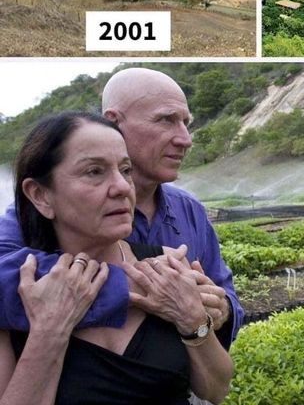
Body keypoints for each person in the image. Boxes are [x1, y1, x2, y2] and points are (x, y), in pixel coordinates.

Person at [0, 68, 243, 351]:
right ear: (113, 122)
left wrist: (220, 308)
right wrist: (137, 284)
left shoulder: (190, 211)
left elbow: (226, 295)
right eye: (166, 120)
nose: (185, 139)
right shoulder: (43, 210)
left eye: (185, 123)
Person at [0, 111, 232, 405]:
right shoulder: (19, 294)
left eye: (125, 170)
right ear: (40, 195)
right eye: (94, 172)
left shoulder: (168, 267)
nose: (123, 187)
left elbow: (216, 389)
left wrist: (194, 322)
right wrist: (49, 333)